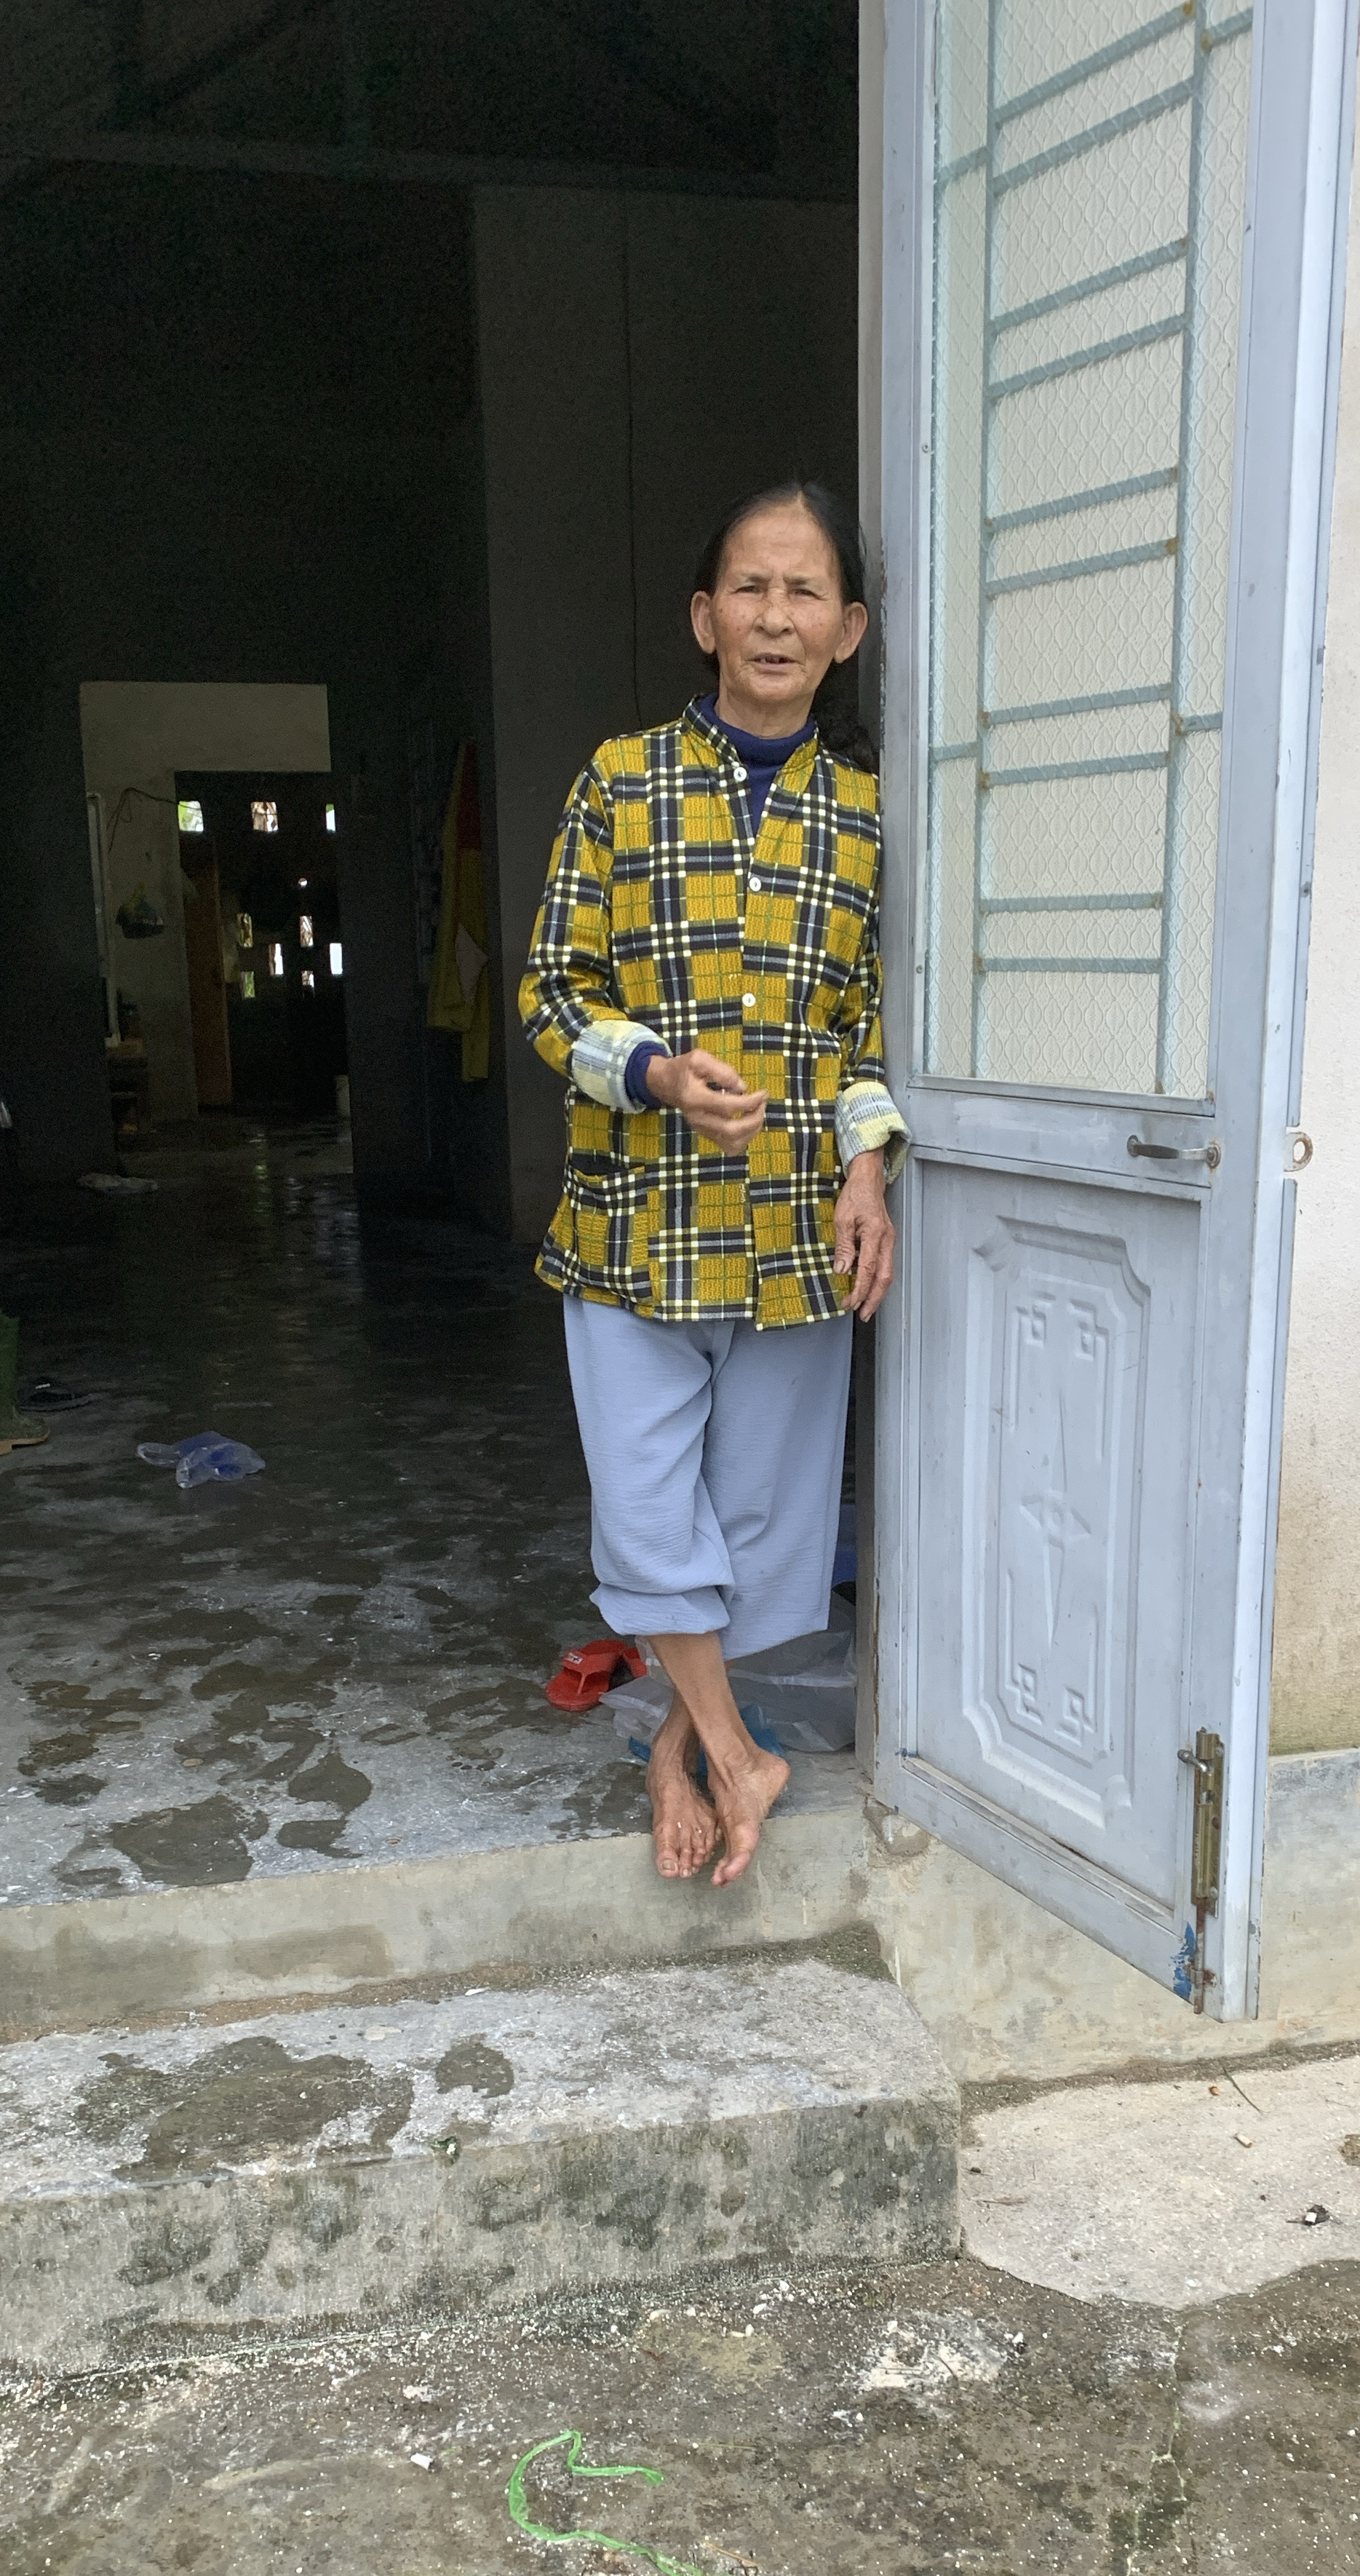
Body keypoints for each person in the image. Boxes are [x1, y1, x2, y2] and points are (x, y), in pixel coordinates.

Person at [520, 480, 907, 1888]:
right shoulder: (620, 782)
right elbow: (549, 990)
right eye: (751, 587)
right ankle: (741, 1756)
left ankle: (681, 1753)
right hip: (635, 1227)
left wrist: (868, 1167)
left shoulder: (867, 817)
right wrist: (656, 1073)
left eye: (806, 592)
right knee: (646, 1512)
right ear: (704, 617)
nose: (776, 617)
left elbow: (869, 1028)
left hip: (799, 1235)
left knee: (761, 1532)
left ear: (848, 629)